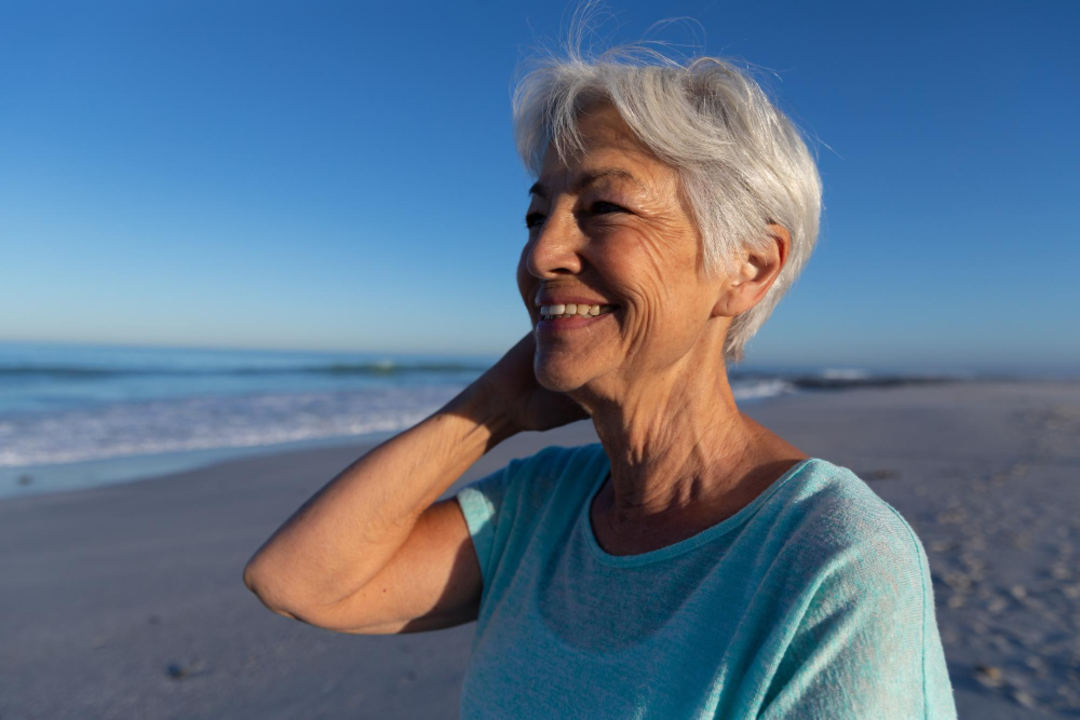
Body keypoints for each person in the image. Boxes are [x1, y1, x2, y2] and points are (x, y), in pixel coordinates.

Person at [243, 39, 958, 719]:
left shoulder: (831, 558)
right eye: (535, 214)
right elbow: (297, 581)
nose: (541, 254)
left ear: (749, 266)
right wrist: (492, 407)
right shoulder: (541, 506)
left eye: (604, 207)